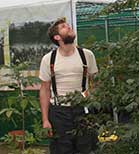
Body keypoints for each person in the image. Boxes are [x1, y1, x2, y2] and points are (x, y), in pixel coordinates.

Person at [39, 18, 98, 154]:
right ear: (57, 37)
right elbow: (45, 90)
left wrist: (92, 99)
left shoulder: (87, 55)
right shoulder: (49, 59)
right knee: (61, 149)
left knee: (87, 148)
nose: (69, 27)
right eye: (64, 27)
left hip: (83, 110)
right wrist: (45, 120)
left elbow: (96, 81)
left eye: (68, 25)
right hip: (59, 112)